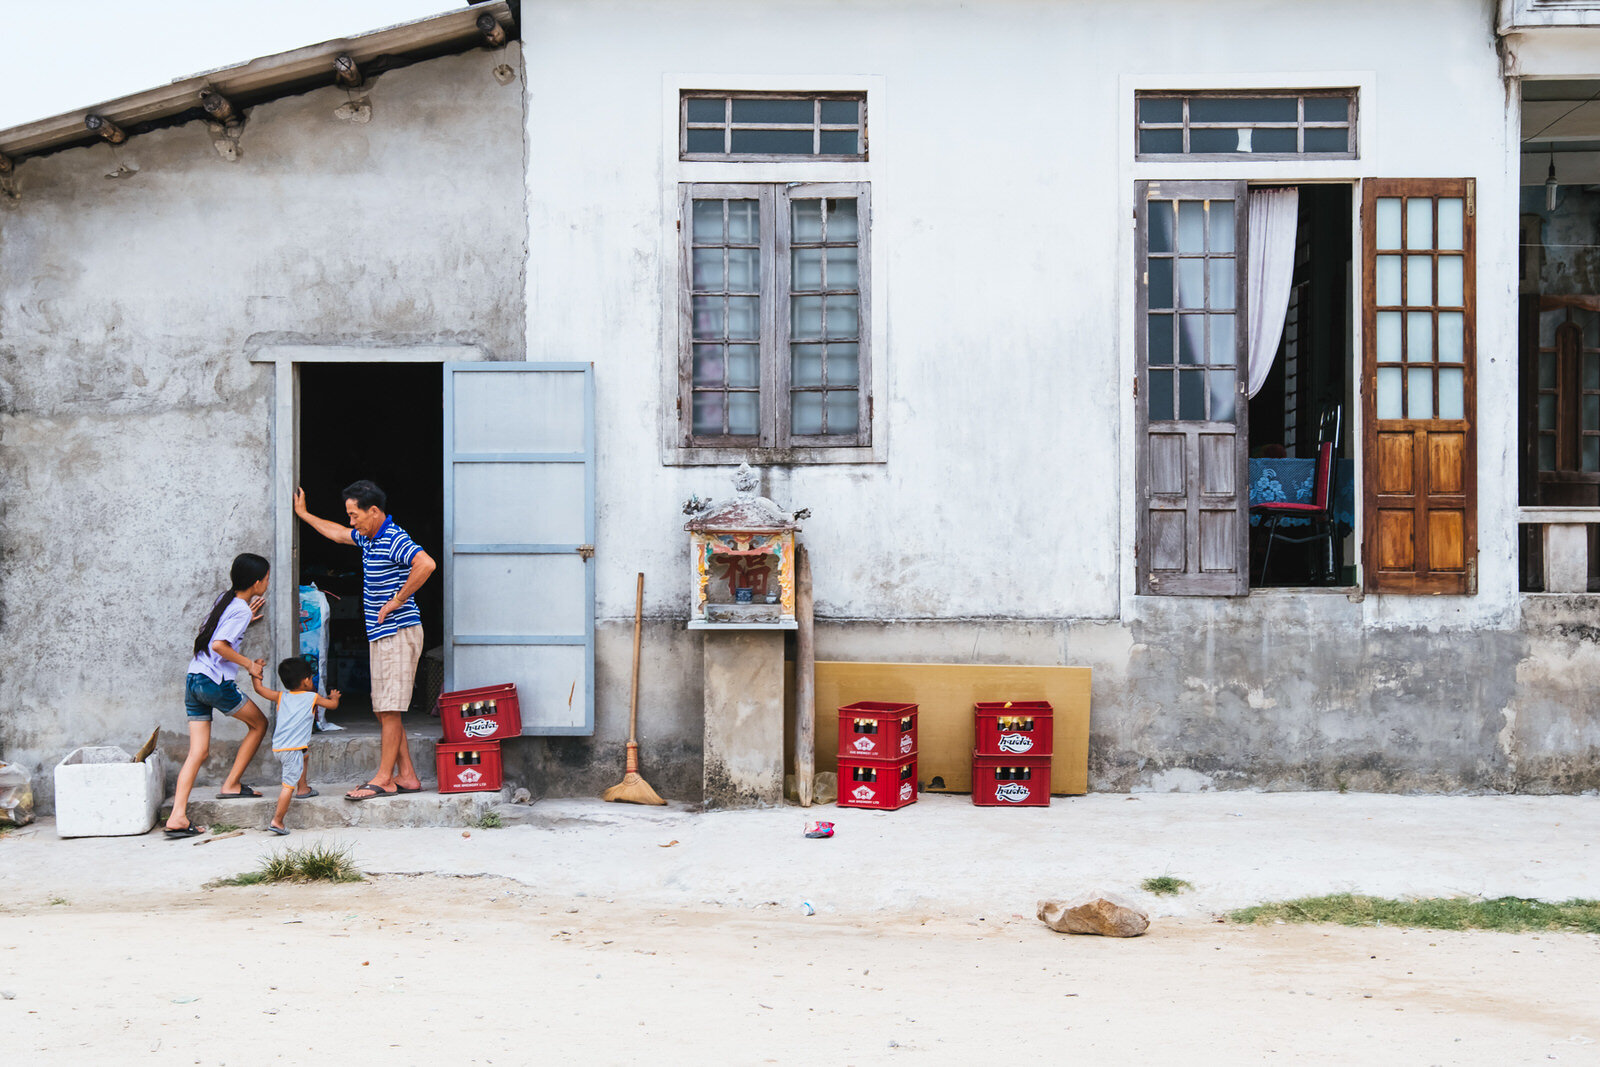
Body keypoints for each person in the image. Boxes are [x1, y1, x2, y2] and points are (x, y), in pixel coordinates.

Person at [294, 479, 435, 800]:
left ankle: (384, 779)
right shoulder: (370, 538)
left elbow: (426, 564)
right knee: (386, 709)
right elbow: (338, 533)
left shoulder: (394, 537)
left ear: (374, 511)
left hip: (398, 631)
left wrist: (397, 600)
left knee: (389, 709)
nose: (351, 521)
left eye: (355, 515)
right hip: (383, 634)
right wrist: (304, 514)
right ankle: (408, 776)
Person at [165, 553, 273, 839]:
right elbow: (219, 645)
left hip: (193, 679)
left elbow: (217, 632)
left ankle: (177, 816)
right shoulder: (239, 609)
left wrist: (246, 620)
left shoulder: (225, 601)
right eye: (267, 578)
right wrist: (249, 663)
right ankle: (231, 784)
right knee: (260, 724)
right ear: (257, 581)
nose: (268, 582)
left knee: (197, 752)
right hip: (214, 682)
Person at [250, 658, 340, 835]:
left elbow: (258, 689)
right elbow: (333, 706)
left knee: (304, 755)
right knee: (287, 786)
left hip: (280, 748)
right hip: (292, 751)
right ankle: (277, 821)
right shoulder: (312, 697)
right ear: (307, 680)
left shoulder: (281, 696)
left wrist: (256, 672)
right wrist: (334, 697)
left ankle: (304, 788)